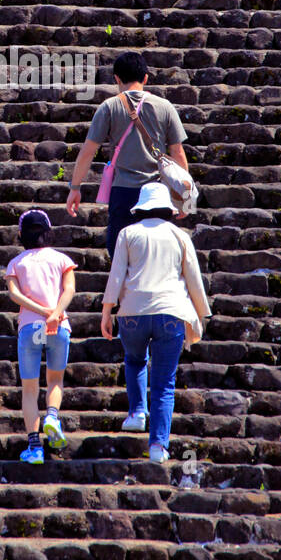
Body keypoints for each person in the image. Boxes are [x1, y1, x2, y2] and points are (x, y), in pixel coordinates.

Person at [101, 183, 210, 462]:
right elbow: (194, 279)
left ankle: (137, 412)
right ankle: (158, 446)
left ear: (142, 207)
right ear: (167, 209)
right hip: (171, 313)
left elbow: (116, 275)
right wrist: (201, 313)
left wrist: (107, 311)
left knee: (135, 360)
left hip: (133, 312)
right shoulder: (179, 236)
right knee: (164, 384)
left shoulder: (128, 233)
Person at [66, 51, 189, 258]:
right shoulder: (165, 107)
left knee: (121, 254)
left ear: (117, 79)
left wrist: (75, 188)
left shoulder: (109, 107)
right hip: (157, 191)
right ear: (146, 78)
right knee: (156, 255)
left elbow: (88, 152)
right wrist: (184, 197)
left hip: (123, 191)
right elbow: (177, 153)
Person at [5, 209, 77, 464]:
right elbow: (69, 289)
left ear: (21, 234)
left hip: (30, 328)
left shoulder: (17, 262)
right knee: (55, 379)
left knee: (29, 389)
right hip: (58, 327)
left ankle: (34, 448)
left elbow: (15, 295)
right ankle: (53, 417)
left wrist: (41, 311)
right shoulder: (62, 259)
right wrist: (55, 313)